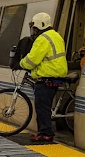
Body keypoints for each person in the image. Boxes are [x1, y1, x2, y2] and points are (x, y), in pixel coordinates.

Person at [19, 12, 68, 144]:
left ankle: (46, 134)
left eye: (34, 28)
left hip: (47, 77)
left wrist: (21, 63)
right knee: (45, 106)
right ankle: (44, 131)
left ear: (39, 26)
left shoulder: (42, 39)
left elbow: (32, 59)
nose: (33, 30)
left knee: (42, 107)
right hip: (56, 75)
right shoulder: (57, 36)